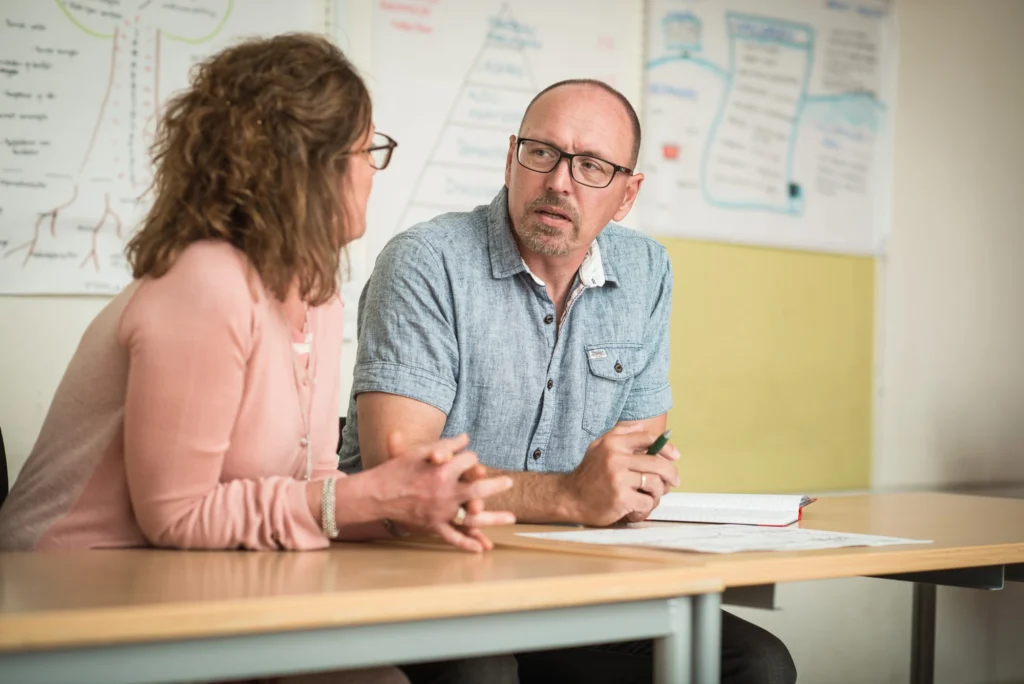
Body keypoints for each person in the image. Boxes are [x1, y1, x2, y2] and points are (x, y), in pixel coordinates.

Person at [0, 33, 516, 684]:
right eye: (367, 150)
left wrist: (409, 501)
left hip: (200, 579)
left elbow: (310, 482)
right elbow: (178, 514)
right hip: (72, 594)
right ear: (314, 165)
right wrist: (356, 501)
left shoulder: (316, 291)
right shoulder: (206, 282)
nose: (371, 171)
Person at [339, 79, 798, 684]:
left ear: (628, 194)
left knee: (756, 664)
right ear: (511, 159)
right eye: (542, 153)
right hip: (424, 571)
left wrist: (625, 488)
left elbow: (632, 470)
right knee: (482, 670)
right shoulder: (427, 262)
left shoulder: (646, 271)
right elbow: (400, 476)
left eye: (592, 167)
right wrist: (569, 496)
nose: (560, 181)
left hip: (566, 576)